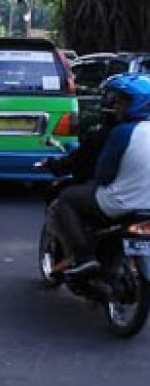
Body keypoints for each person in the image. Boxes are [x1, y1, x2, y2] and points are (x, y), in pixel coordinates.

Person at [51, 73, 150, 276]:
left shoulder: (122, 132)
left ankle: (83, 257)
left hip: (121, 203)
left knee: (66, 198)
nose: (117, 107)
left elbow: (104, 175)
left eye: (122, 102)